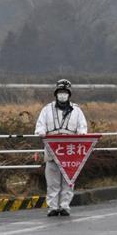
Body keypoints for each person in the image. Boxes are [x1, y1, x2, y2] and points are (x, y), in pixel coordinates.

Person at [35, 79, 88, 217]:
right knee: (52, 182)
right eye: (60, 92)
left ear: (69, 94)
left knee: (68, 181)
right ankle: (52, 207)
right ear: (56, 93)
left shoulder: (77, 110)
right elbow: (40, 125)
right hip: (52, 149)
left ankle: (65, 206)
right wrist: (41, 131)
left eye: (65, 92)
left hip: (70, 151)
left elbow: (82, 127)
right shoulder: (46, 109)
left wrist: (82, 135)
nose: (62, 95)